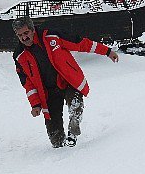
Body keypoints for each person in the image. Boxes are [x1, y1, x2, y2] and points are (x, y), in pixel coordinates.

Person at [12, 17, 119, 148]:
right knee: (55, 138)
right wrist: (35, 104)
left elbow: (80, 44)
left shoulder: (52, 36)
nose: (24, 38)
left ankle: (73, 130)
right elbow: (27, 83)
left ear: (33, 30)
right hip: (48, 92)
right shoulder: (19, 55)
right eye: (20, 35)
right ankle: (61, 151)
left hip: (68, 82)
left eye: (26, 33)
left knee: (75, 104)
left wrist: (107, 51)